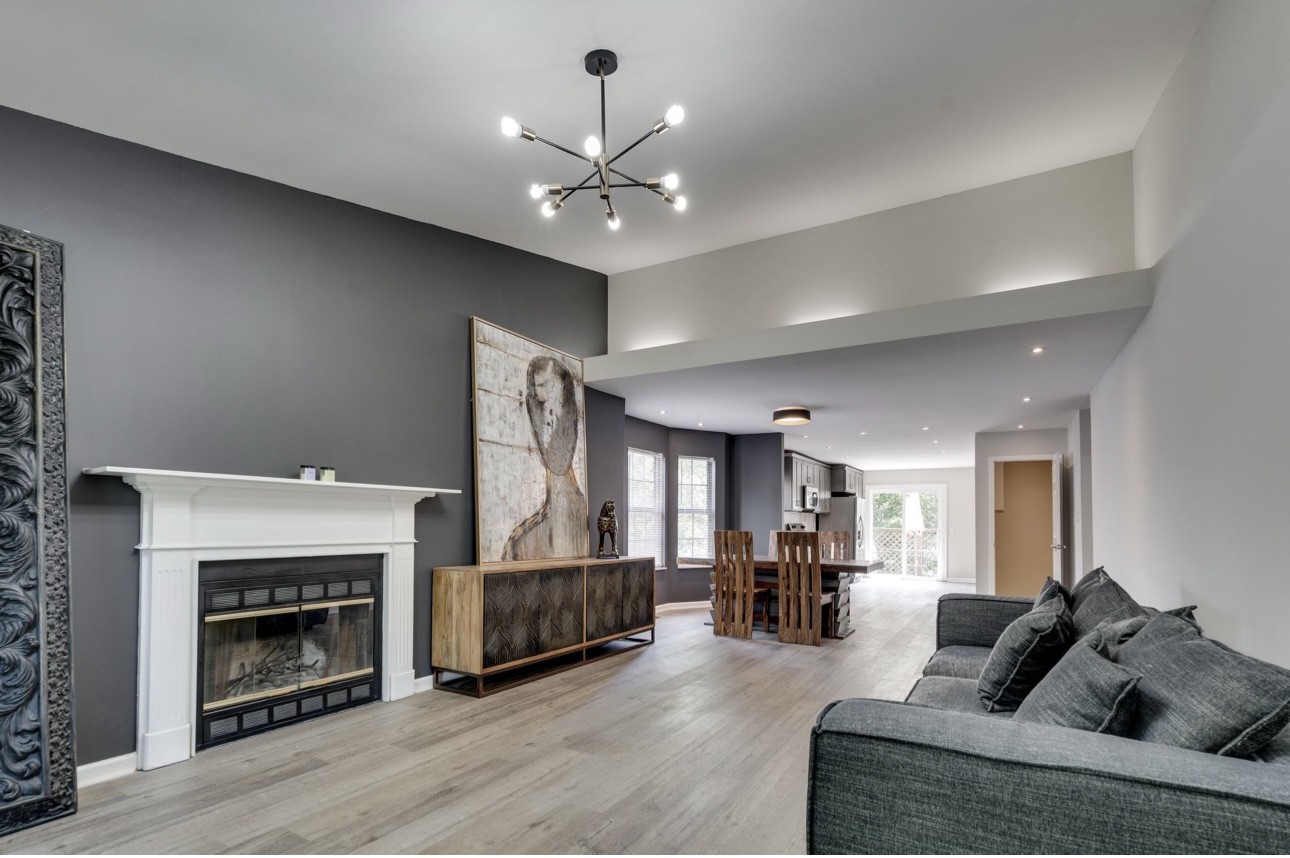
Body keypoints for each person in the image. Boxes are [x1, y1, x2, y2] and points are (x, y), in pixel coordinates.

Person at [503, 355, 587, 559]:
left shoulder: (580, 514)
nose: (539, 394)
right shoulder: (521, 542)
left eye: (544, 385)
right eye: (536, 387)